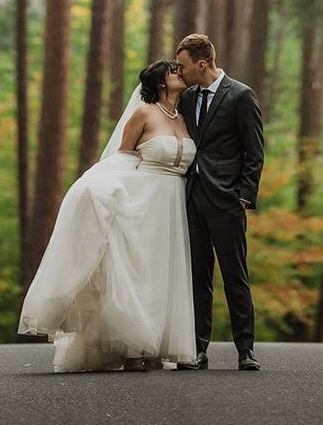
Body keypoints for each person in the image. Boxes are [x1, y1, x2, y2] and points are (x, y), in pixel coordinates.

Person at [17, 59, 197, 372]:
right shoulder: (143, 113)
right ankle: (132, 346)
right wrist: (98, 187)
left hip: (173, 205)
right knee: (137, 271)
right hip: (143, 199)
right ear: (159, 82)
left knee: (161, 274)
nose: (179, 73)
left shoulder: (184, 118)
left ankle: (155, 344)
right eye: (172, 71)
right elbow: (123, 157)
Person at [174, 33, 265, 371]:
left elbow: (254, 152)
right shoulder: (187, 97)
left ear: (202, 63)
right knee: (198, 276)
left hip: (227, 199)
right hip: (193, 196)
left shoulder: (241, 95)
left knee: (235, 274)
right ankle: (198, 349)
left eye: (183, 66)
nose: (180, 73)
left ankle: (246, 349)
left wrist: (244, 196)